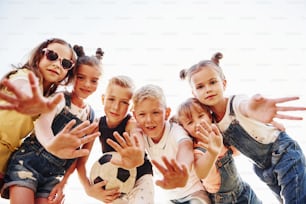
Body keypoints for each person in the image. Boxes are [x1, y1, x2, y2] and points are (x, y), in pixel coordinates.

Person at [180, 52, 306, 203]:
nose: (207, 89)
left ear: (224, 84)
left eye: (213, 82)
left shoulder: (236, 103)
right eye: (200, 86)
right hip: (263, 169)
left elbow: (246, 107)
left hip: (284, 154)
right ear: (194, 93)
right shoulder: (213, 127)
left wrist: (253, 109)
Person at [1, 45, 103, 204]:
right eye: (81, 77)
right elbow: (42, 124)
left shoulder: (91, 117)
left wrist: (64, 182)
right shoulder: (60, 99)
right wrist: (52, 145)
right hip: (28, 163)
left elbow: (79, 156)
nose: (87, 84)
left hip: (54, 176)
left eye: (94, 80)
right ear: (72, 76)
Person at [77, 75, 154, 204]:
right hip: (114, 182)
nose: (116, 107)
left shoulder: (131, 124)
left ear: (131, 107)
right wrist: (88, 189)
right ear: (103, 99)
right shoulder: (97, 125)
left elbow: (139, 153)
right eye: (111, 99)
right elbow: (80, 162)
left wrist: (135, 158)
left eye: (124, 102)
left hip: (141, 177)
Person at [131, 84, 211, 204]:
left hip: (193, 193)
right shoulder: (140, 133)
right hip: (170, 197)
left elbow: (185, 147)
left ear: (167, 113)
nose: (149, 120)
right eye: (142, 114)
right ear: (135, 116)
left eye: (155, 113)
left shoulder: (176, 131)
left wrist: (182, 168)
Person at [173, 97, 262, 204]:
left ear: (210, 116)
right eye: (190, 122)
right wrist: (211, 152)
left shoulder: (219, 136)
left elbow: (237, 151)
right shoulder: (197, 149)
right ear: (184, 128)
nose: (197, 123)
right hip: (223, 199)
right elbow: (201, 172)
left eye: (201, 116)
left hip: (242, 189)